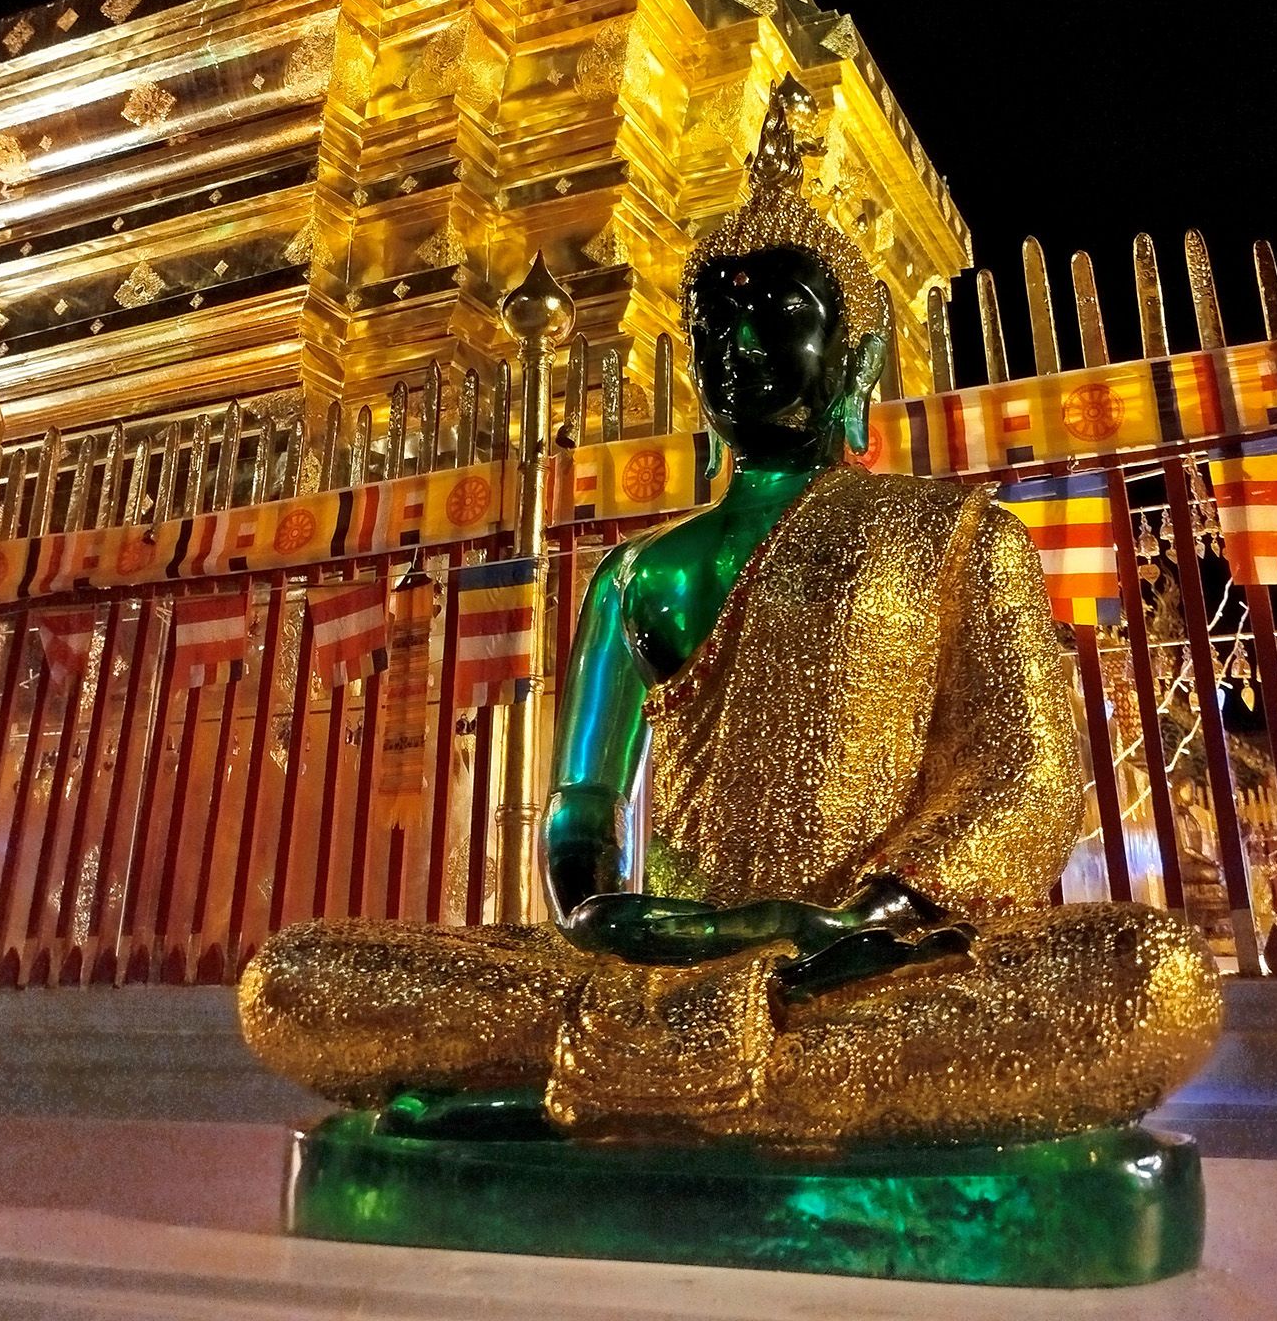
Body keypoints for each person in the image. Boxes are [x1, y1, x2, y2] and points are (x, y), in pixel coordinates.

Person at [241, 81, 1220, 1146]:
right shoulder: (633, 574)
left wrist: (862, 919)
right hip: (656, 960)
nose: (735, 342)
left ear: (852, 354)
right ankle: (759, 1087)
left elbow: (1027, 777)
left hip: (853, 967)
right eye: (711, 321)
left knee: (1151, 983)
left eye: (775, 316)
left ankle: (615, 1088)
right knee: (293, 980)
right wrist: (597, 911)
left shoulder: (955, 535)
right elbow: (581, 802)